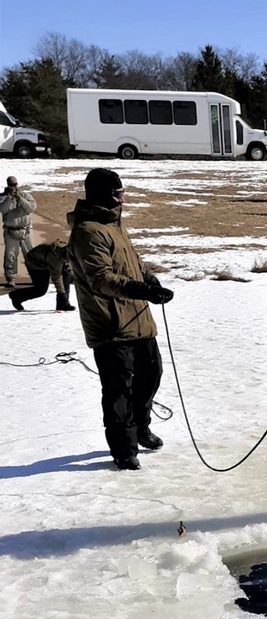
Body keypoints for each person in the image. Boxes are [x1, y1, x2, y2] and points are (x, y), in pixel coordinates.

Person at [67, 168, 174, 470]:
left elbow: (131, 262)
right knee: (118, 390)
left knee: (151, 373)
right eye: (118, 194)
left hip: (137, 318)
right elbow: (101, 278)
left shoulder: (115, 225)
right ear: (104, 195)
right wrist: (140, 289)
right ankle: (124, 448)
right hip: (110, 323)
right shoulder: (88, 231)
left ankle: (141, 427)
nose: (123, 198)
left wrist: (148, 279)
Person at [8, 239, 76, 311]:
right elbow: (57, 278)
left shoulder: (68, 250)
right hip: (35, 265)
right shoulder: (55, 259)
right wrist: (62, 294)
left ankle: (63, 305)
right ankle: (16, 296)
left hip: (46, 261)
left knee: (66, 276)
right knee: (41, 290)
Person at [2, 175, 36, 287]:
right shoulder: (3, 197)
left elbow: (31, 207)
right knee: (10, 255)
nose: (13, 187)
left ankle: (36, 276)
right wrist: (10, 198)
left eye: (15, 185)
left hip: (25, 231)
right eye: (11, 185)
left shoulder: (25, 196)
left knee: (31, 255)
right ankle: (11, 278)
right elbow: (2, 209)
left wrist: (20, 199)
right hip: (11, 231)